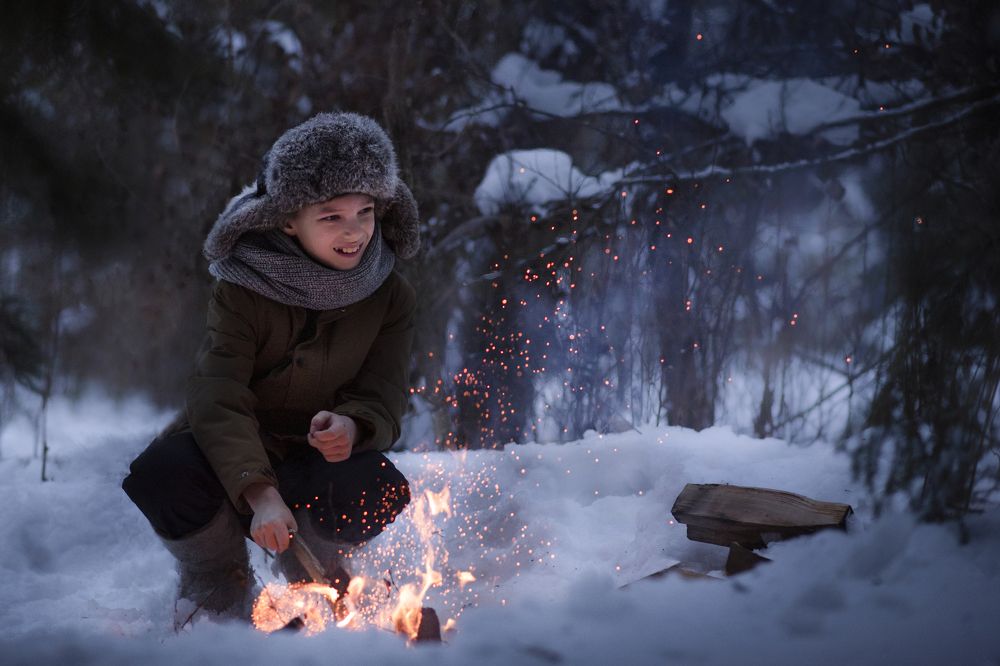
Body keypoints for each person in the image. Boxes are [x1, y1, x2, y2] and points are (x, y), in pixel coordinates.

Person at [122, 111, 420, 623]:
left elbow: (384, 395)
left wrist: (353, 425)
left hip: (315, 463)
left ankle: (320, 572)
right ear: (287, 220)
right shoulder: (242, 285)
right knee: (161, 474)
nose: (354, 232)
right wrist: (259, 493)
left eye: (365, 212)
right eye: (331, 217)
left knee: (375, 484)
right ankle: (218, 584)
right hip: (231, 457)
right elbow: (217, 395)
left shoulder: (390, 293)